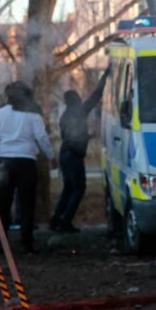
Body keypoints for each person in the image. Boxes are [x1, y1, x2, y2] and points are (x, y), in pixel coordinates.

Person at [0, 81, 55, 253]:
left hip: (5, 162)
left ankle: (0, 242)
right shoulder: (33, 114)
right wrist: (52, 156)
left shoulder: (1, 113)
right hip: (26, 162)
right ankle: (27, 242)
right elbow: (42, 137)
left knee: (4, 203)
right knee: (27, 203)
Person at [51, 69, 110, 233]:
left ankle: (55, 220)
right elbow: (95, 96)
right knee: (79, 188)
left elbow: (72, 137)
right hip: (73, 156)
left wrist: (88, 136)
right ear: (75, 100)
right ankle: (65, 222)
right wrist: (104, 77)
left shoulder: (65, 116)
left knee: (68, 189)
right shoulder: (79, 112)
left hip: (64, 154)